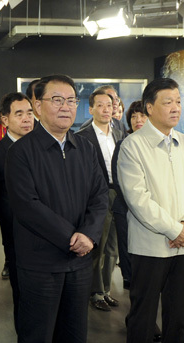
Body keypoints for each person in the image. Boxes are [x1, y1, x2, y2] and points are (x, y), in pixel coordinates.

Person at [6, 74, 110, 343]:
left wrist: (89, 235)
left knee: (75, 334)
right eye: (57, 100)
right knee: (36, 340)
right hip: (40, 263)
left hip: (80, 260)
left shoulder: (85, 147)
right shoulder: (21, 152)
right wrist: (70, 236)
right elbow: (27, 205)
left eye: (71, 100)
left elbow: (100, 196)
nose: (66, 107)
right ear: (37, 105)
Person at [117, 78, 184, 343]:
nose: (175, 107)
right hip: (150, 244)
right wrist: (173, 229)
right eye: (168, 101)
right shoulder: (133, 146)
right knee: (143, 313)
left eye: (178, 101)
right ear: (149, 107)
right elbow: (137, 198)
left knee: (177, 311)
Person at [0, 92, 34, 331]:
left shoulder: (45, 148)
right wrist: (9, 218)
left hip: (50, 235)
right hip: (16, 233)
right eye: (19, 114)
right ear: (4, 119)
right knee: (22, 290)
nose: (26, 118)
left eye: (30, 113)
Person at [77, 89, 120, 311]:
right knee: (98, 247)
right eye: (100, 105)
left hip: (118, 194)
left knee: (113, 248)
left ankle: (106, 290)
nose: (106, 109)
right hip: (96, 197)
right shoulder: (82, 137)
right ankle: (95, 292)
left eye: (109, 105)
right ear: (91, 109)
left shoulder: (119, 133)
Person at [111, 101, 147, 291]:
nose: (138, 120)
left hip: (151, 207)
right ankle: (129, 279)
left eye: (142, 115)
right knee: (126, 247)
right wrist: (135, 201)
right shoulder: (122, 144)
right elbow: (117, 178)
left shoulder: (155, 144)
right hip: (125, 206)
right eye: (133, 116)